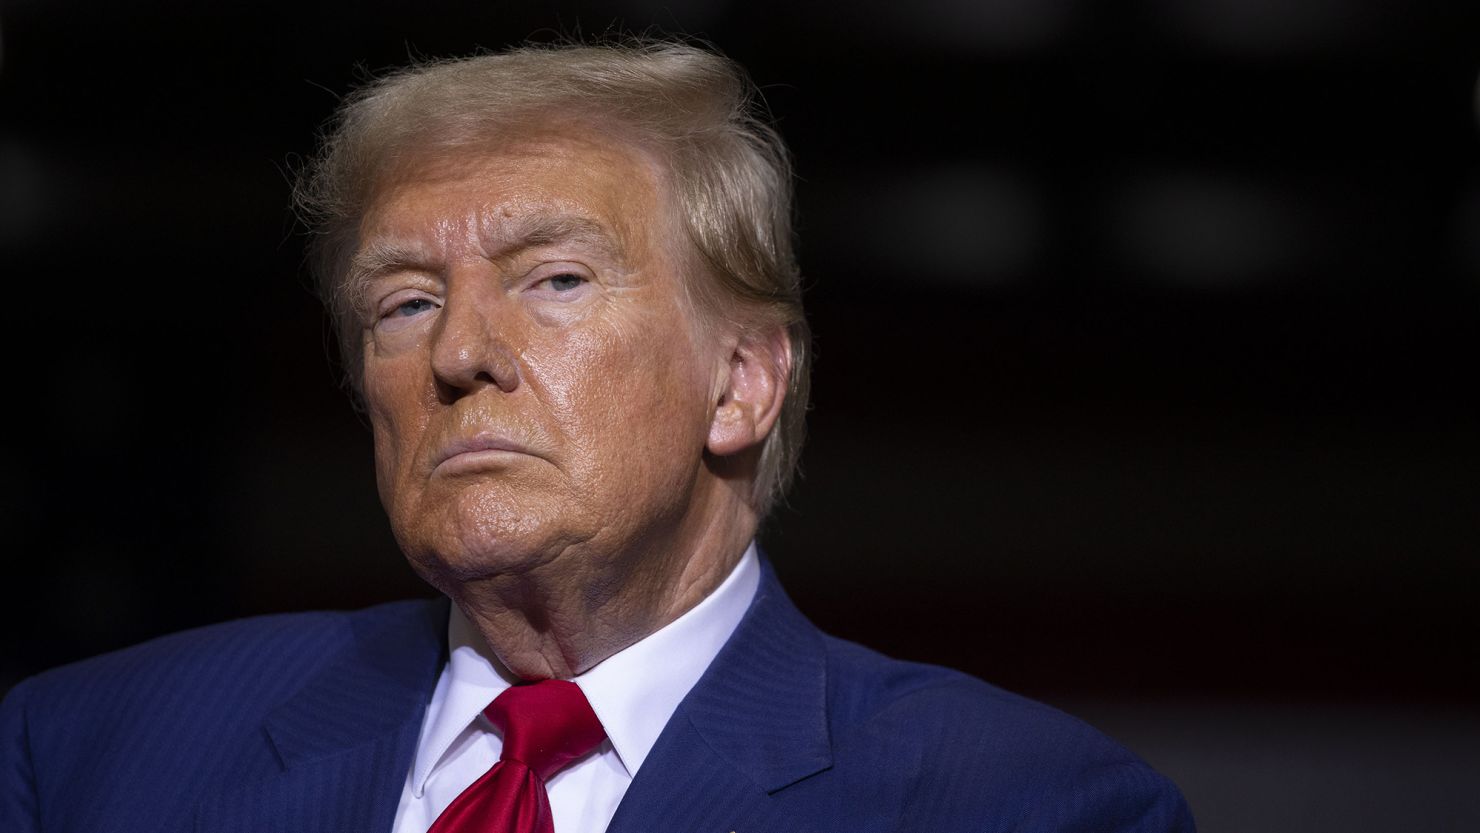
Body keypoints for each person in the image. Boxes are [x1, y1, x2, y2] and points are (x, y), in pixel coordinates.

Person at [0, 39, 1194, 833]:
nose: (458, 351)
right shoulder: (90, 754)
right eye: (404, 301)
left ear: (741, 382)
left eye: (556, 279)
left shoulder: (1017, 805)